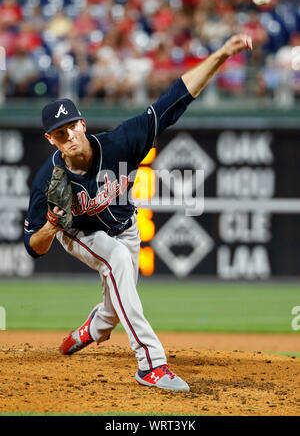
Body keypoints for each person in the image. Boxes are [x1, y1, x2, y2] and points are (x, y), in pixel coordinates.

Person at [23, 34, 252, 392]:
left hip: (125, 226)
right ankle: (151, 364)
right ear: (49, 139)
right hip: (78, 234)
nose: (68, 136)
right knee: (117, 261)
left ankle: (93, 329)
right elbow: (33, 247)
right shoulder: (46, 181)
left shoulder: (121, 141)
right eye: (59, 133)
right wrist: (51, 227)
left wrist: (221, 54)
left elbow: (177, 96)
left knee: (117, 298)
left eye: (72, 127)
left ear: (83, 124)